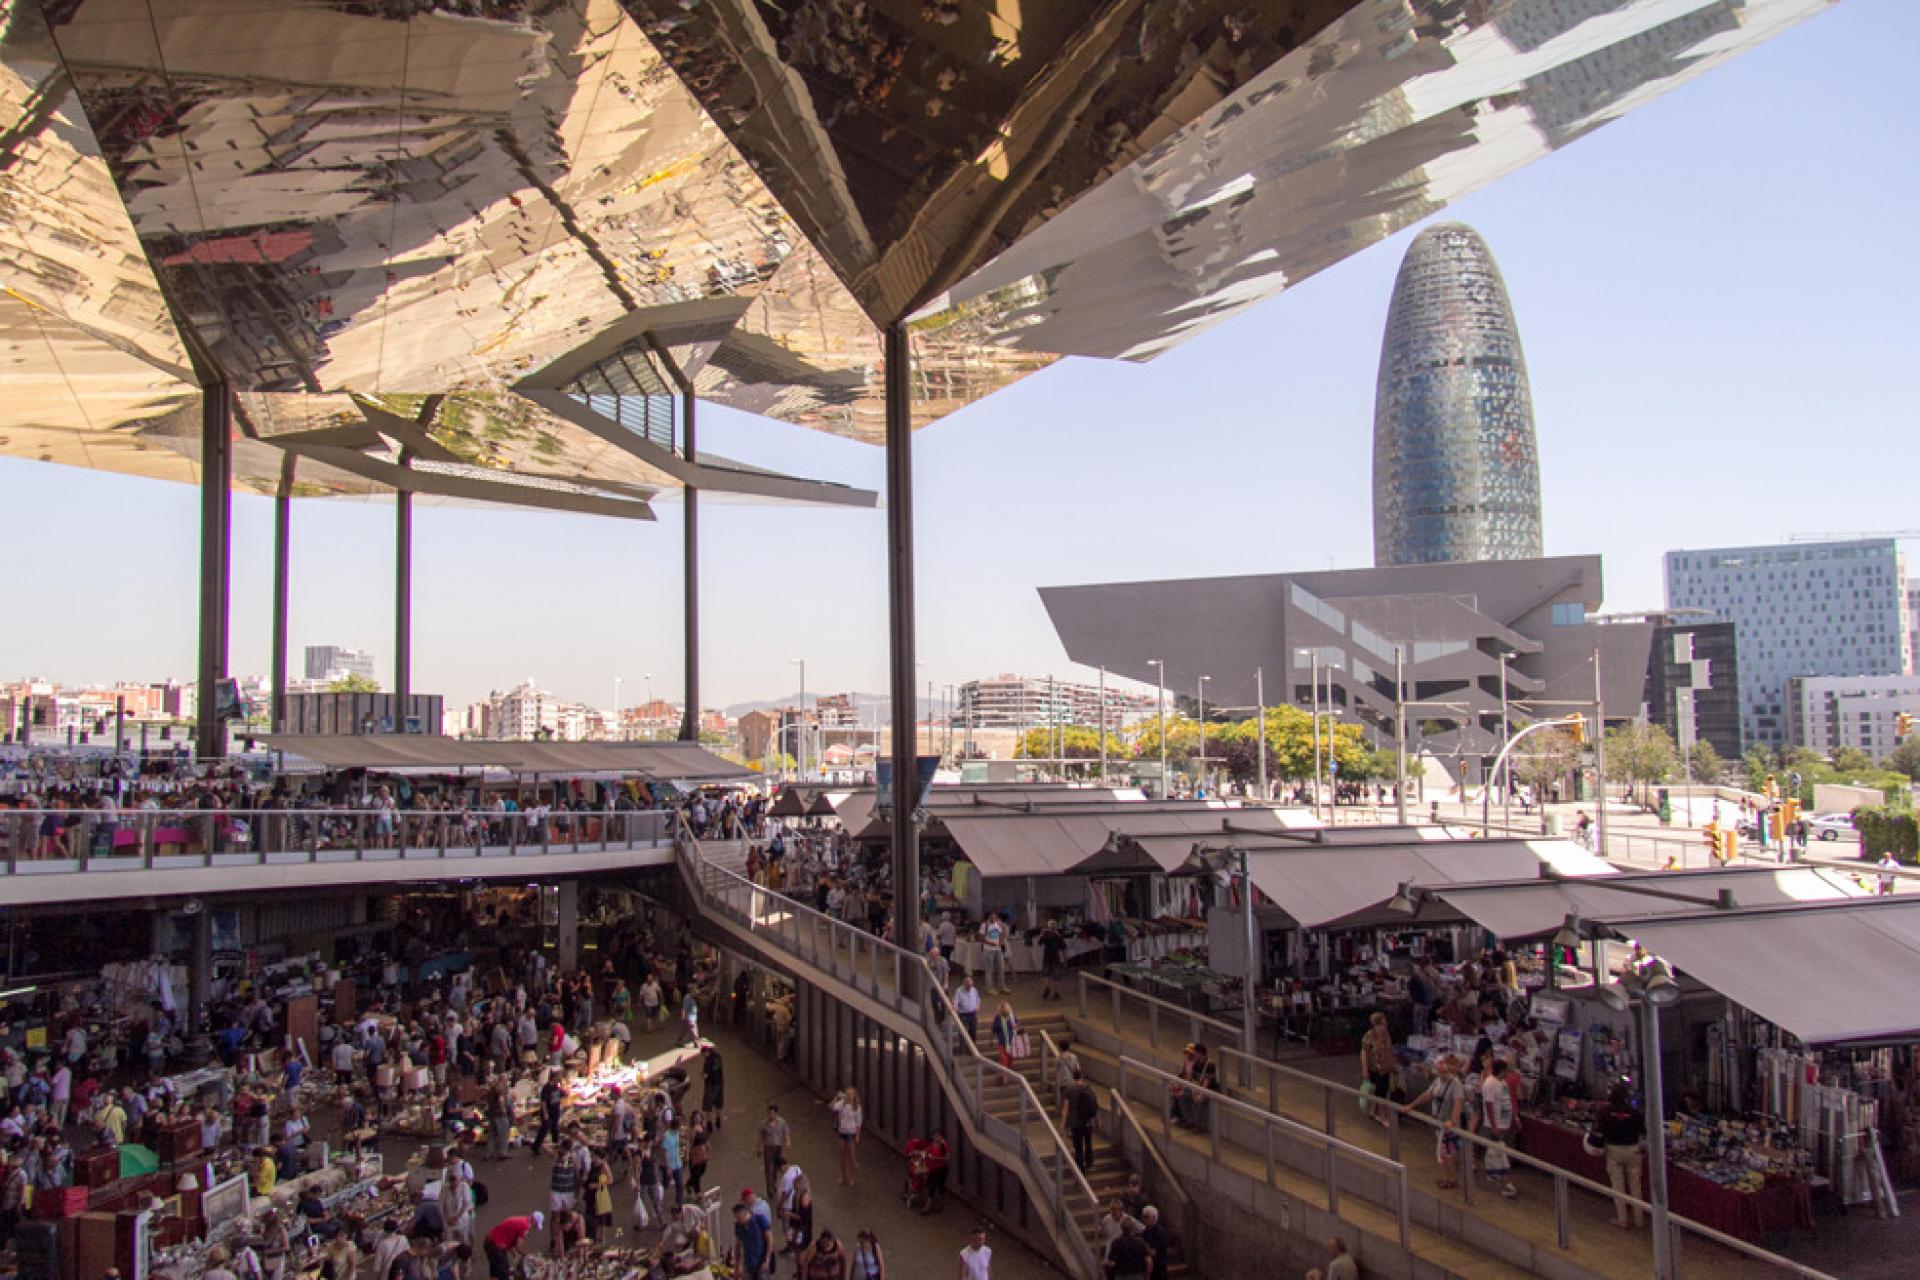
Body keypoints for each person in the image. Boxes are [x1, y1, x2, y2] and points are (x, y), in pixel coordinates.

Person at [1407, 1055, 1467, 1190]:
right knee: (1446, 1153)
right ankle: (1450, 1177)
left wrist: (1452, 1121)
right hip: (1440, 1122)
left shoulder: (1455, 1083)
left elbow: (1458, 1104)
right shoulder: (1438, 1081)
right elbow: (1427, 1095)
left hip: (1449, 1126)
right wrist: (1412, 1105)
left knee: (1446, 1154)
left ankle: (1452, 1179)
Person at [1596, 1082, 1648, 1228]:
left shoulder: (1604, 1112)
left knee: (1618, 1187)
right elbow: (1643, 1133)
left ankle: (1622, 1220)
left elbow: (1599, 1132)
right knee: (1636, 1186)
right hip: (1633, 1150)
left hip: (1614, 1150)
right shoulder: (1635, 1112)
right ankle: (1639, 1221)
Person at [1478, 1057, 1519, 1198]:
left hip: (1504, 1123)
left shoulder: (1503, 1083)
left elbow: (1507, 1101)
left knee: (1497, 1152)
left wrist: (1515, 1118)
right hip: (1496, 1125)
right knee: (1500, 1153)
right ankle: (1506, 1183)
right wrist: (1494, 1125)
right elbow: (1488, 1105)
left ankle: (1495, 1174)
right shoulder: (1490, 1084)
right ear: (1502, 1071)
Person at [1359, 1012, 1395, 1127]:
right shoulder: (1370, 1035)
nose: (1386, 1023)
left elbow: (1389, 1050)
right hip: (1374, 1067)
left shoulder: (1386, 1034)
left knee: (1380, 1090)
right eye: (1384, 1021)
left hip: (1386, 1068)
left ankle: (1373, 1111)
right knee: (1381, 1092)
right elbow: (1364, 1052)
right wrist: (1364, 1068)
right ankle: (1382, 1116)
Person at [1061, 1070, 1099, 1172]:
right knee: (1088, 1143)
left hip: (1075, 1123)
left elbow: (1066, 1109)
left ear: (1073, 1077)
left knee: (1078, 1146)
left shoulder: (1068, 1090)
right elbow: (1094, 1105)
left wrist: (1063, 1124)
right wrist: (1096, 1120)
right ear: (1081, 1077)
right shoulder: (1087, 1088)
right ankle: (1089, 1164)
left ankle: (1080, 1167)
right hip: (1087, 1121)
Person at [829, 1088, 863, 1186]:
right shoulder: (842, 1103)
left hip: (851, 1133)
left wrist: (857, 1135)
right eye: (847, 1094)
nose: (848, 1096)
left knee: (852, 1157)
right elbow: (832, 1107)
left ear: (854, 1095)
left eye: (850, 1094)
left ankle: (853, 1177)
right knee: (842, 1156)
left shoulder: (857, 1106)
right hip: (842, 1132)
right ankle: (844, 1176)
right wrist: (837, 1098)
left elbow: (858, 1122)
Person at [732, 1201, 772, 1280]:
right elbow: (738, 1245)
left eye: (738, 1218)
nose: (737, 1220)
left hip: (761, 1262)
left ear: (745, 1214)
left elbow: (770, 1240)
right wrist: (737, 1265)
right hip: (748, 1263)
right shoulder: (738, 1226)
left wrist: (767, 1260)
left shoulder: (760, 1220)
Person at [760, 1104, 790, 1196]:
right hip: (768, 1148)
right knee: (769, 1169)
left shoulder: (782, 1122)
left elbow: (786, 1132)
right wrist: (759, 1148)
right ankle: (770, 1190)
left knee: (776, 1168)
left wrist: (788, 1141)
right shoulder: (764, 1123)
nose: (770, 1116)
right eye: (769, 1113)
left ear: (776, 1113)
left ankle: (774, 1185)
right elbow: (760, 1136)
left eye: (772, 1114)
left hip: (778, 1147)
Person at [1037, 918, 1067, 1001]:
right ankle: (1056, 993)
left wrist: (1041, 934)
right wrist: (1065, 960)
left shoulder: (1045, 935)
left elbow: (1039, 943)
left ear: (1048, 926)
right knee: (1056, 977)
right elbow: (1063, 949)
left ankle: (1047, 987)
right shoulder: (1059, 936)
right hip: (1056, 959)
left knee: (1045, 974)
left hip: (1047, 958)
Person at [979, 917, 1009, 994]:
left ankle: (1002, 986)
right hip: (988, 950)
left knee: (1001, 968)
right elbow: (981, 938)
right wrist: (990, 943)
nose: (994, 918)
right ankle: (989, 988)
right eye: (992, 916)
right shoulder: (984, 925)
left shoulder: (997, 924)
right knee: (989, 970)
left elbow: (1003, 934)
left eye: (995, 916)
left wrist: (1001, 940)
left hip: (998, 949)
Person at [1138, 1207, 1169, 1280]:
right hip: (1149, 1266)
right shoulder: (1147, 1230)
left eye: (1146, 1217)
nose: (1143, 1219)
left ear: (1154, 1217)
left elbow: (1153, 1252)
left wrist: (1142, 1242)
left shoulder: (1160, 1232)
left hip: (1159, 1267)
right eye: (1143, 1217)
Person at [991, 1003, 1021, 1068]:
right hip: (1002, 1043)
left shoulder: (1012, 1017)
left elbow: (1018, 1024)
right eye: (1002, 1011)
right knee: (1003, 1060)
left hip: (1012, 1042)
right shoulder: (998, 1018)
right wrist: (991, 1039)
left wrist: (1015, 1025)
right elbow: (994, 1029)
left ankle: (1009, 1072)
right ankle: (1005, 1076)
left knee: (1010, 1059)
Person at [953, 976, 982, 1045]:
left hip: (972, 1014)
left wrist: (977, 1006)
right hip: (963, 1014)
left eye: (971, 986)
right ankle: (962, 1047)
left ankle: (973, 1046)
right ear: (964, 984)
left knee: (973, 1031)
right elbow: (955, 1002)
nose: (970, 988)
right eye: (968, 986)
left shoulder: (974, 990)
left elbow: (978, 1000)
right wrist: (954, 1007)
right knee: (963, 1031)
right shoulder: (959, 991)